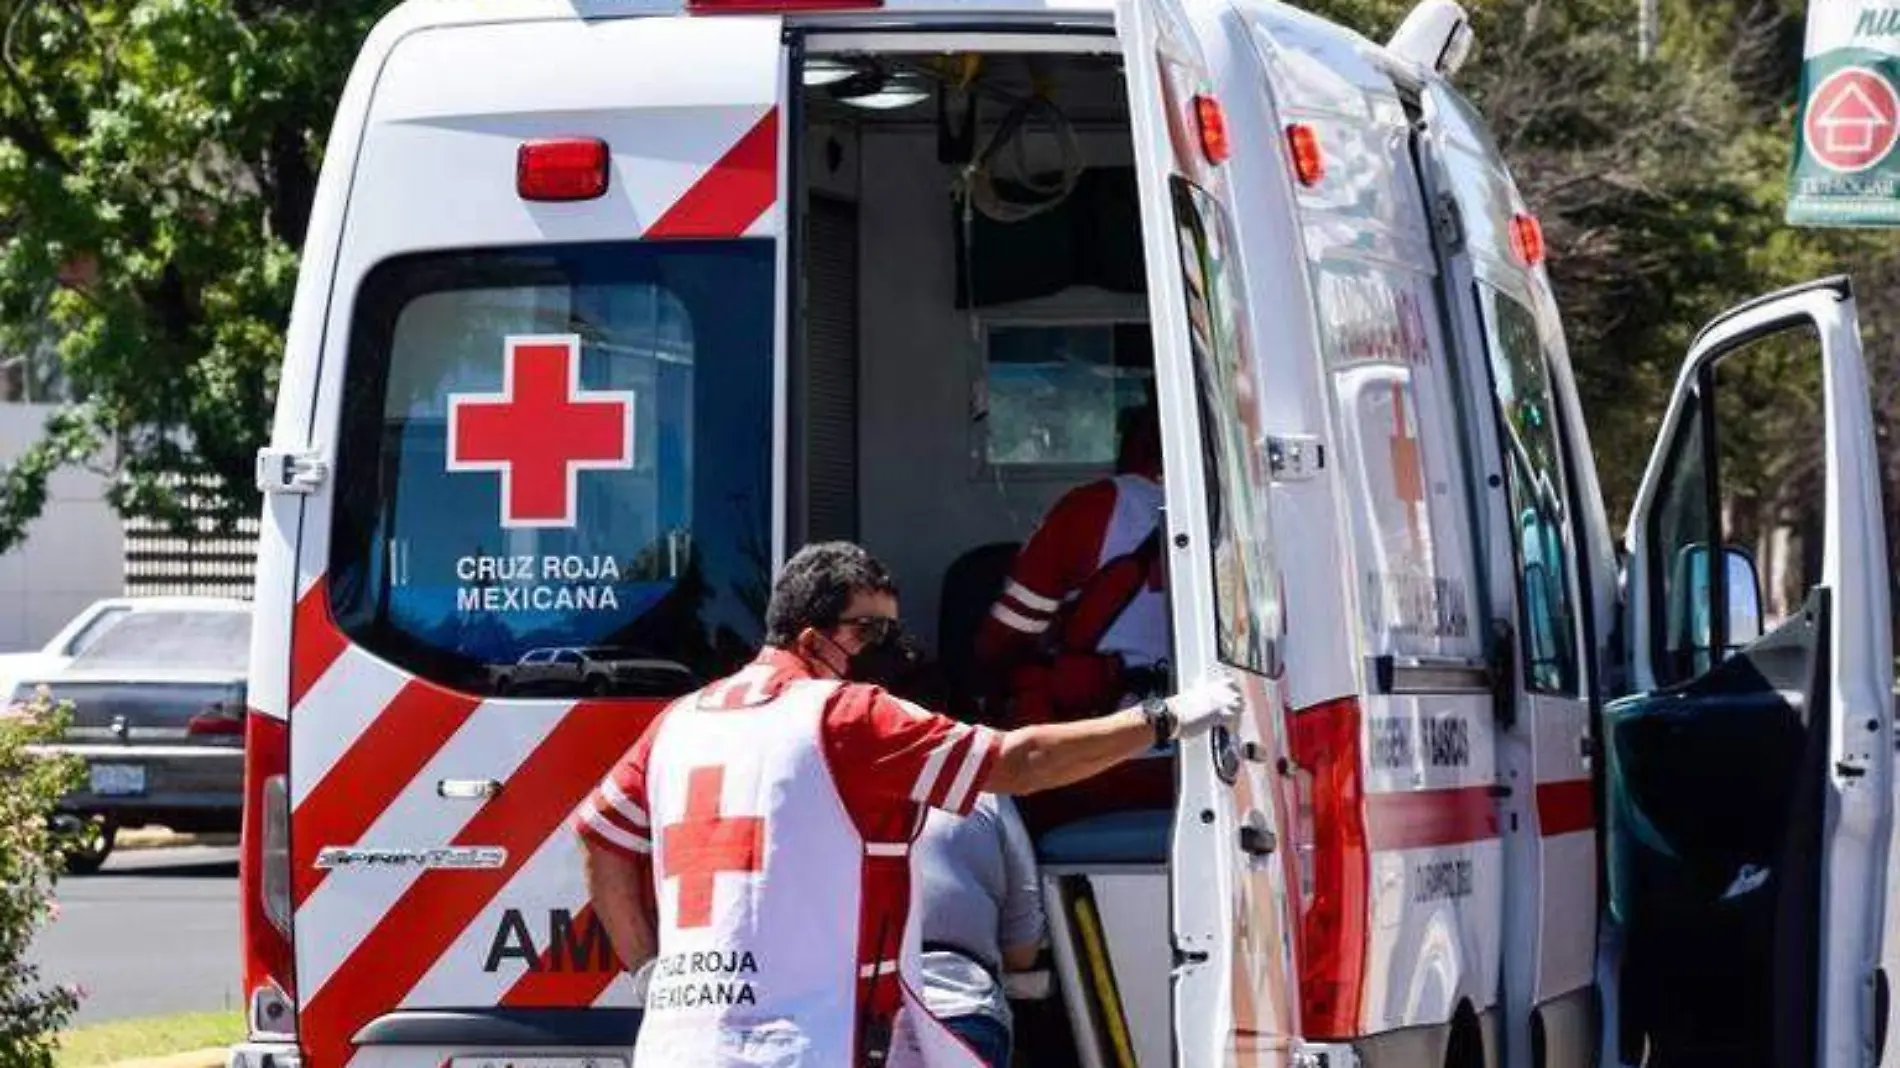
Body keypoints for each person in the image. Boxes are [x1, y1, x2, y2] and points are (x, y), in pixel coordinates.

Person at [574, 541, 1236, 1068]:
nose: (889, 650)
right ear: (811, 639)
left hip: (677, 1047)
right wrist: (1163, 718)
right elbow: (1023, 762)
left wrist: (649, 971)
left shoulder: (681, 721)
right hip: (807, 1047)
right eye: (871, 631)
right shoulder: (846, 718)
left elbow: (600, 837)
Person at [974, 401, 1171, 832]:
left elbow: (1004, 639)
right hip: (1200, 758)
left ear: (1130, 444)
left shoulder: (1092, 509)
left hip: (1096, 770)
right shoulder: (1232, 516)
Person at [913, 793, 1043, 1068]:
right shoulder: (987, 788)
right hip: (958, 1006)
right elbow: (1022, 952)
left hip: (840, 1020)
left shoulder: (819, 789)